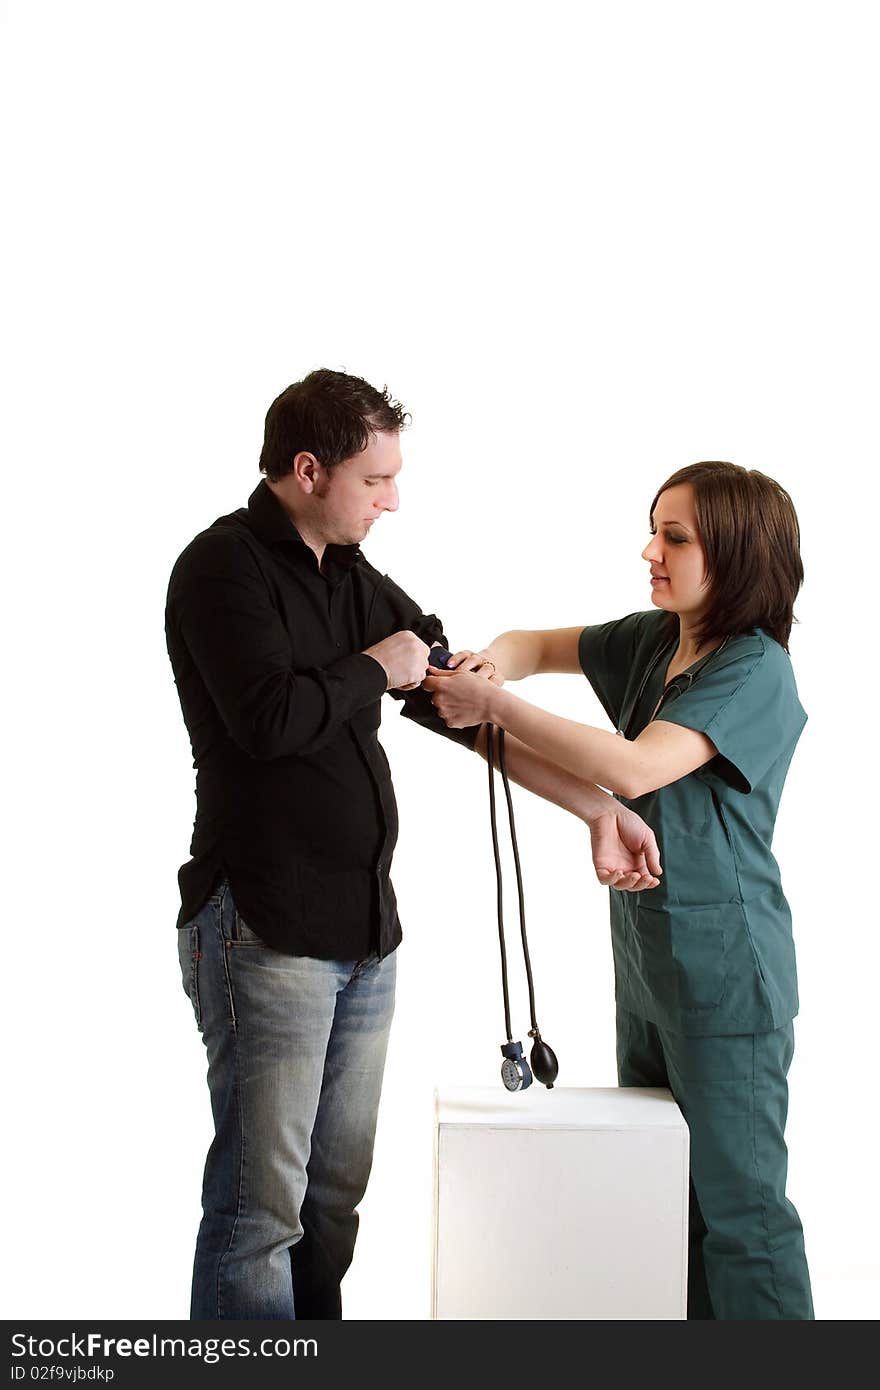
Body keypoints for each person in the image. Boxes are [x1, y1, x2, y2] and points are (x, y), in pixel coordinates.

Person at [165, 368, 664, 1320]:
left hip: (363, 935)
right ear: (307, 470)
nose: (393, 499)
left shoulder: (349, 576)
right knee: (258, 1212)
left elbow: (454, 706)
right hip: (263, 929)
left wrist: (596, 806)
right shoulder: (220, 567)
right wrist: (375, 666)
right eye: (375, 480)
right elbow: (268, 719)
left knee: (332, 1203)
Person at [425, 460, 813, 1320]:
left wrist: (497, 705)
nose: (650, 550)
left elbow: (637, 767)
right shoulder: (652, 639)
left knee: (743, 1221)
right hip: (648, 968)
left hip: (727, 981)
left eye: (675, 537)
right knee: (668, 1198)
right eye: (654, 530)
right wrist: (500, 666)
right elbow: (536, 643)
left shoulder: (756, 672)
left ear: (739, 554)